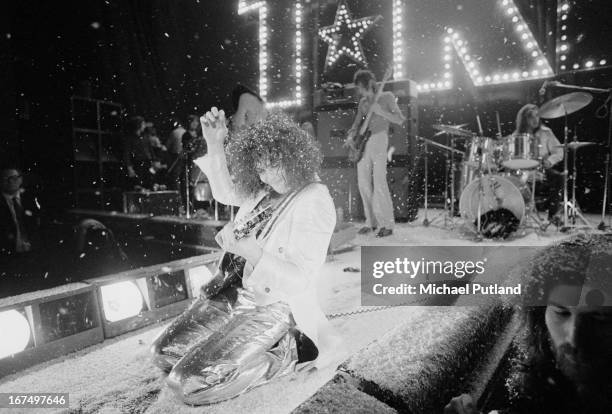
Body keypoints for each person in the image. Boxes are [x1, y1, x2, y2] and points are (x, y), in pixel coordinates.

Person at [151, 108, 339, 405]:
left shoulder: (314, 200)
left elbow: (300, 280)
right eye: (261, 168)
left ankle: (289, 349)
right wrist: (215, 142)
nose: (268, 175)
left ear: (294, 157)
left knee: (189, 384)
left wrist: (251, 251)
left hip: (274, 303)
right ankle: (229, 346)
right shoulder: (266, 187)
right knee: (163, 354)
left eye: (274, 165)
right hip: (230, 290)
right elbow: (227, 193)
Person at [445, 233, 612, 414]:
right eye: (561, 313)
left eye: (599, 317)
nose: (574, 336)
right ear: (540, 315)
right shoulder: (545, 375)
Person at [345, 70, 405, 238]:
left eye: (360, 87)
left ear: (367, 84)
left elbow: (400, 119)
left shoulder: (386, 97)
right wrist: (351, 136)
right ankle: (370, 222)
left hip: (380, 138)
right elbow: (356, 124)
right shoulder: (363, 102)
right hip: (365, 143)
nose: (359, 91)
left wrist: (380, 111)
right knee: (363, 183)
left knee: (379, 182)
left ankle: (387, 224)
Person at [510, 104, 564, 225]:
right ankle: (516, 214)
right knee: (514, 180)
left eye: (537, 117)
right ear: (525, 119)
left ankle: (553, 215)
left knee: (558, 177)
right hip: (522, 171)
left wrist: (550, 161)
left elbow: (559, 151)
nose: (535, 120)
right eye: (531, 117)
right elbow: (511, 158)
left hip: (541, 169)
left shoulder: (546, 132)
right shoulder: (516, 135)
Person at [0, 166, 43, 255]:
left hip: (34, 251)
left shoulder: (30, 198)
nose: (10, 181)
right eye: (6, 178)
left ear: (21, 180)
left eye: (14, 178)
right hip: (7, 254)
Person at [122, 115, 154, 189]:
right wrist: (129, 166)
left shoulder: (145, 136)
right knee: (138, 184)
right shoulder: (130, 138)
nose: (144, 126)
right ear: (138, 125)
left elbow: (150, 149)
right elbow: (127, 153)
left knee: (149, 183)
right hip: (137, 163)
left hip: (146, 162)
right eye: (143, 124)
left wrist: (154, 160)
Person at [165, 118, 186, 191]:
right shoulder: (185, 131)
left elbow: (167, 146)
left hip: (176, 156)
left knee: (175, 176)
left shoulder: (174, 132)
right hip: (185, 156)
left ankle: (177, 193)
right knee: (183, 176)